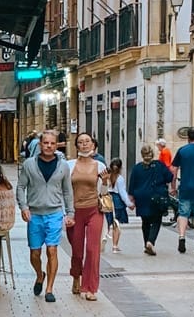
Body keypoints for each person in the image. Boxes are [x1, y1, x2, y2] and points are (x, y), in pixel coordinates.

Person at [15, 128, 74, 301]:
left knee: (52, 250)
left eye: (52, 143)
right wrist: (24, 207)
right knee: (34, 253)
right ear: (40, 144)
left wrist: (70, 213)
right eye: (45, 143)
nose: (48, 146)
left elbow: (67, 191)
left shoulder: (63, 166)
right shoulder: (29, 164)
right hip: (34, 214)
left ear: (57, 145)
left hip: (54, 213)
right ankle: (40, 275)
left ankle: (49, 289)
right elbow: (20, 187)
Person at [67, 131, 106, 300]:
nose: (84, 144)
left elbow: (104, 193)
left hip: (94, 210)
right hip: (75, 211)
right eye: (81, 142)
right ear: (76, 146)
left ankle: (90, 288)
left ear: (93, 145)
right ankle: (76, 275)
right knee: (76, 250)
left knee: (92, 249)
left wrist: (105, 183)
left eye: (87, 141)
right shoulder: (68, 165)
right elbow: (64, 190)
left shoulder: (100, 166)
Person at [127, 144, 172, 254]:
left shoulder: (137, 168)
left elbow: (132, 185)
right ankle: (150, 242)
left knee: (145, 221)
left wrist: (131, 199)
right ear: (152, 154)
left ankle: (146, 242)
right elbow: (169, 177)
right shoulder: (159, 165)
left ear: (142, 155)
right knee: (156, 220)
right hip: (157, 196)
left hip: (142, 197)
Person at [101, 158, 128, 254]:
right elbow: (122, 193)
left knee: (106, 223)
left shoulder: (106, 177)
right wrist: (129, 203)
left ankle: (103, 238)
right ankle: (115, 246)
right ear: (120, 167)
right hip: (117, 201)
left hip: (107, 199)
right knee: (116, 224)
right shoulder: (119, 178)